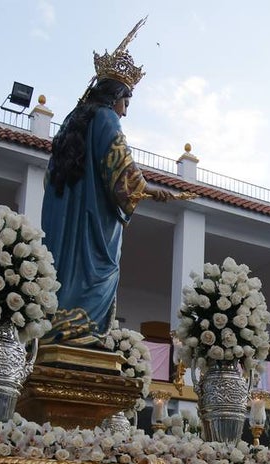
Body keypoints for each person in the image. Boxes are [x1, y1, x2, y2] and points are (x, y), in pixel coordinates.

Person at [41, 18, 176, 336]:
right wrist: (150, 191)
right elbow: (121, 166)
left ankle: (59, 325)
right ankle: (82, 330)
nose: (125, 111)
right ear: (115, 95)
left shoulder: (72, 124)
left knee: (66, 268)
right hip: (95, 221)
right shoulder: (106, 119)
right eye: (126, 102)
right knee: (100, 269)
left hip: (67, 217)